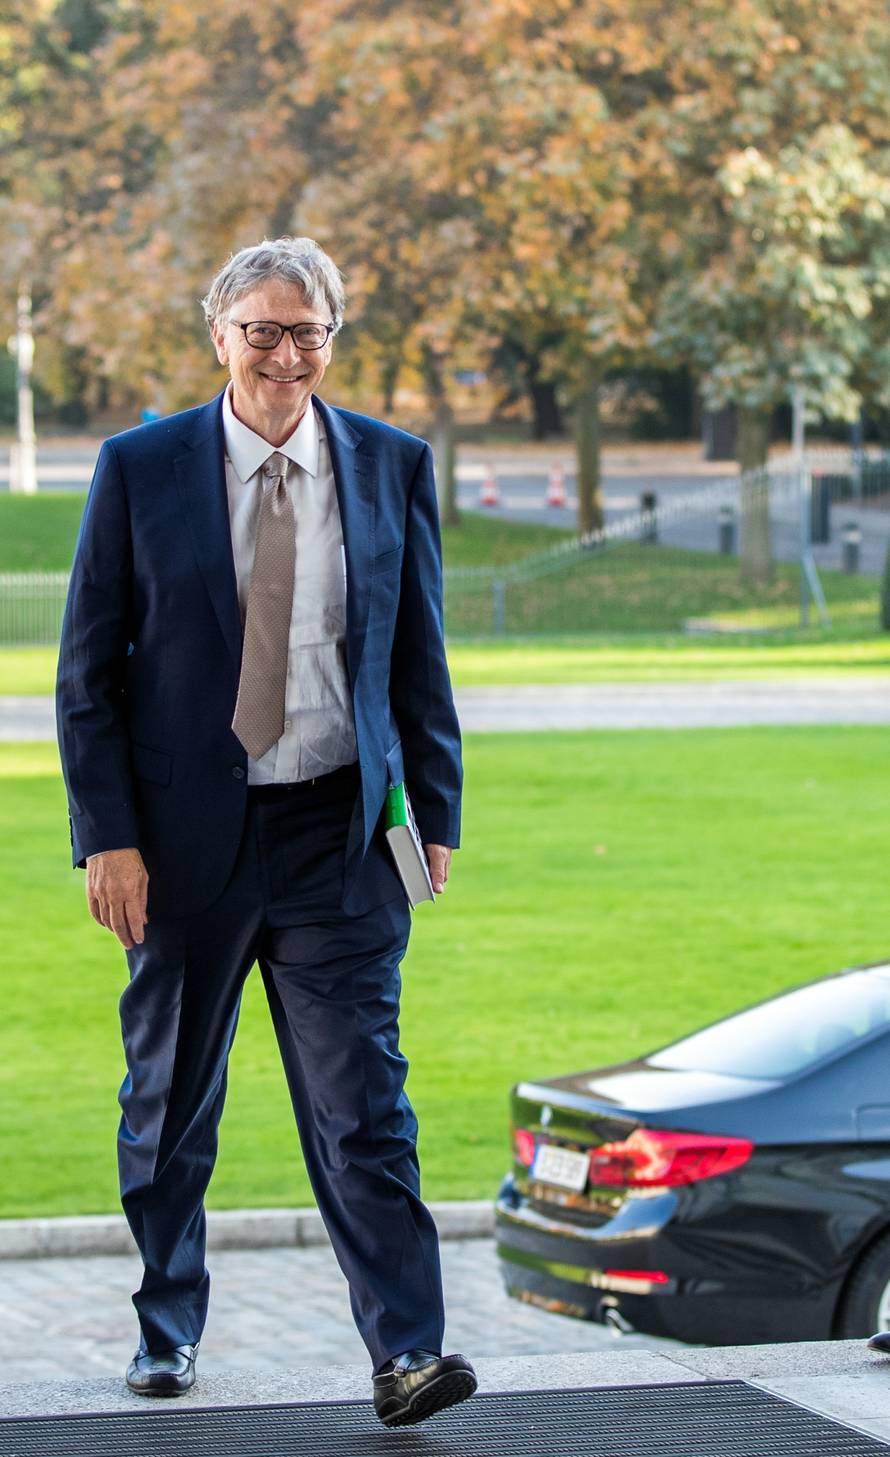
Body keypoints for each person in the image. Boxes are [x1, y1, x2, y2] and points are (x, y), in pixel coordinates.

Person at [55, 236, 476, 1428]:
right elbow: (87, 672)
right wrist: (109, 837)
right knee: (171, 1099)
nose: (285, 354)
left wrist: (430, 811)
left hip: (335, 840)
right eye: (263, 331)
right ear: (219, 336)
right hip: (183, 845)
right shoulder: (140, 467)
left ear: (331, 340)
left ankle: (406, 1350)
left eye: (308, 333)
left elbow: (417, 653)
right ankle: (167, 1325)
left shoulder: (391, 463)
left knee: (365, 1107)